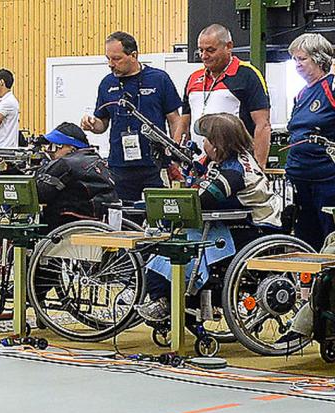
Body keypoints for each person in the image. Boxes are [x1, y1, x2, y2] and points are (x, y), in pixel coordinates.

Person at [138, 113, 282, 322]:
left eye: (205, 139)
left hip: (253, 230)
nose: (202, 143)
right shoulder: (234, 159)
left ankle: (165, 298)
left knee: (178, 243)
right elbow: (202, 177)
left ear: (217, 144)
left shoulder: (235, 172)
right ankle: (167, 298)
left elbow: (200, 202)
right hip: (241, 223)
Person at [81, 31, 182, 202]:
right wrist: (91, 124)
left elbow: (175, 120)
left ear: (133, 55)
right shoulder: (107, 83)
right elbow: (102, 123)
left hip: (155, 165)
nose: (111, 64)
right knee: (122, 215)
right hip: (120, 166)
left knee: (159, 215)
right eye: (108, 59)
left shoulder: (159, 79)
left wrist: (176, 156)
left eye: (116, 59)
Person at [176, 24, 271, 167]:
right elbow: (183, 123)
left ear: (228, 46)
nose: (204, 56)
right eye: (201, 50)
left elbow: (263, 124)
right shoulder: (193, 78)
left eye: (210, 50)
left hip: (237, 163)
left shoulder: (248, 75)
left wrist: (259, 166)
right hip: (199, 163)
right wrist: (177, 158)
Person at [282, 33, 335, 251]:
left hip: (327, 179)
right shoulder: (301, 94)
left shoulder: (331, 87)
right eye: (294, 59)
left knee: (329, 237)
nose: (297, 65)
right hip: (299, 178)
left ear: (318, 58)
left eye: (302, 59)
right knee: (305, 240)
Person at [35, 122, 118, 231]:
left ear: (72, 148)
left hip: (70, 225)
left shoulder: (66, 163)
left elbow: (39, 194)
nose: (50, 151)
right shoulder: (97, 160)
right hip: (103, 220)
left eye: (55, 146)